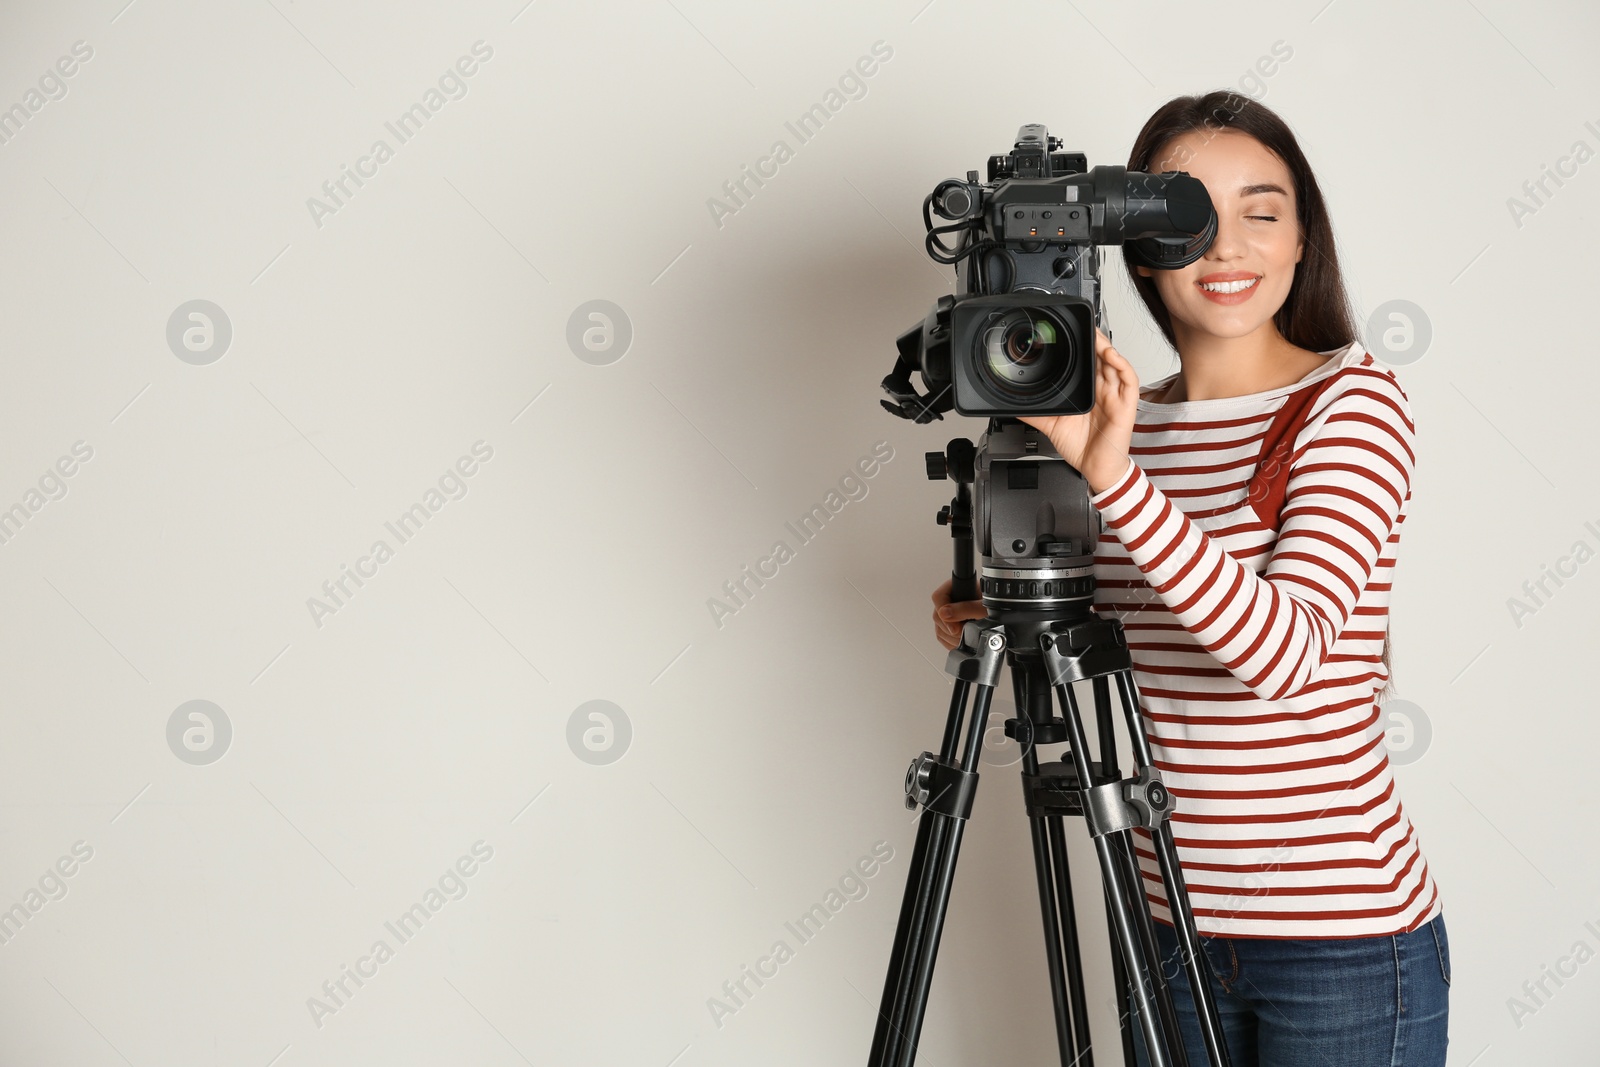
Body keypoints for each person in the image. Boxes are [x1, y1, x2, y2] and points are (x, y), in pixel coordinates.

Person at [930, 90, 1448, 1067]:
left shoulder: (1347, 403)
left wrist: (1114, 476)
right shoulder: (1115, 414)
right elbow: (1115, 631)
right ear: (1135, 244)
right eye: (1189, 217)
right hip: (1160, 920)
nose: (1225, 247)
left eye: (1260, 212)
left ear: (1302, 240)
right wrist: (988, 604)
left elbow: (1283, 655)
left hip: (1338, 936)